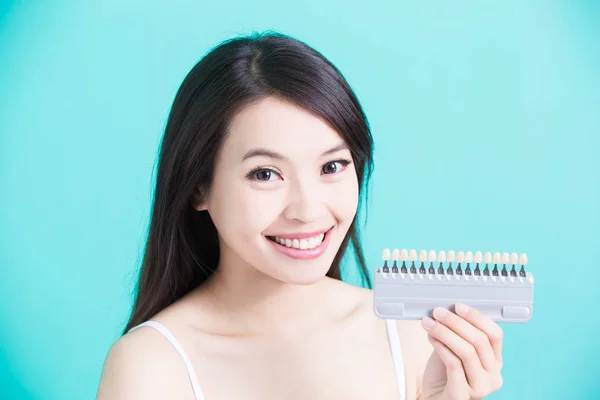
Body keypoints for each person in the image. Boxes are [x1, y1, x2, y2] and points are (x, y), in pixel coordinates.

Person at [96, 31, 505, 400]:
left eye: (332, 167)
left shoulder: (412, 336)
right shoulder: (151, 366)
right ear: (198, 187)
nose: (308, 210)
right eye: (265, 174)